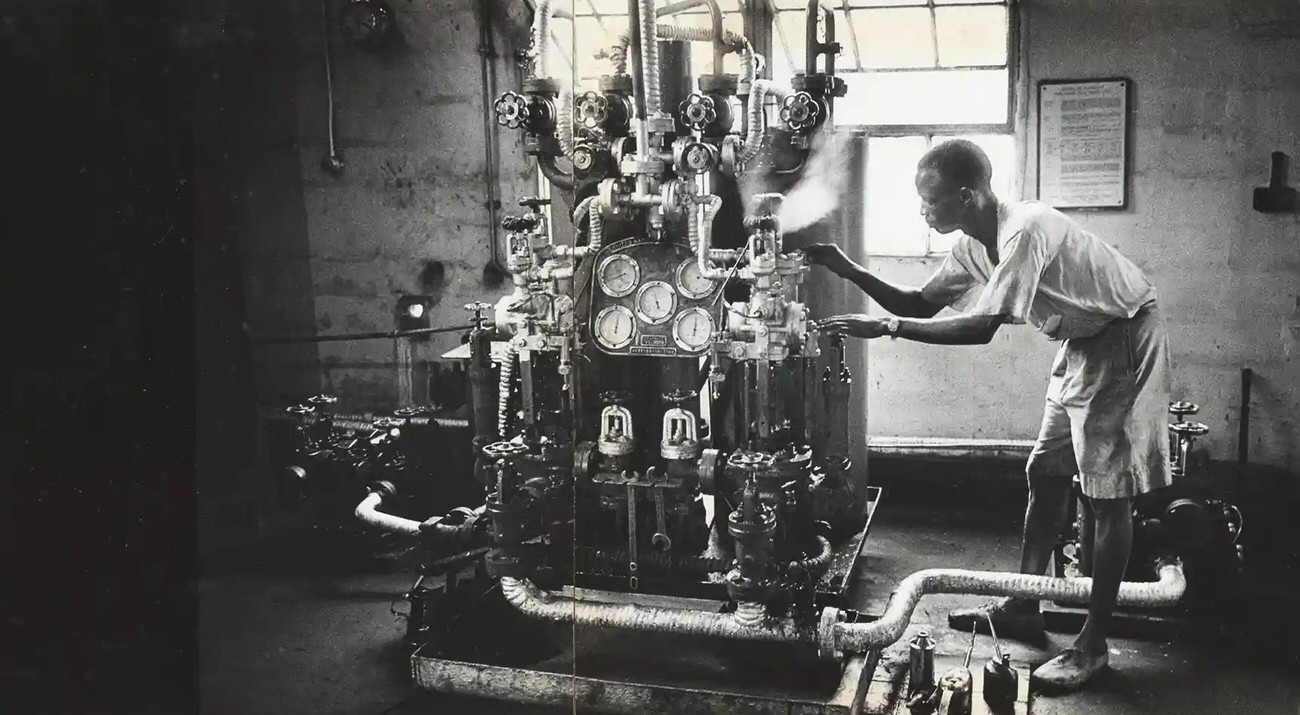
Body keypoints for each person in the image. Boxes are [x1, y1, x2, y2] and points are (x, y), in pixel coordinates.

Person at [806, 139, 1171, 692]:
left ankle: (1093, 645)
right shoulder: (975, 246)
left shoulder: (1022, 230)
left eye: (929, 201)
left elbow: (978, 328)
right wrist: (844, 266)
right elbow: (919, 303)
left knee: (1105, 497)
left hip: (1122, 337)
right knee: (1044, 475)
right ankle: (1024, 607)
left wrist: (886, 330)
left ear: (966, 194)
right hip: (1080, 343)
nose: (922, 211)